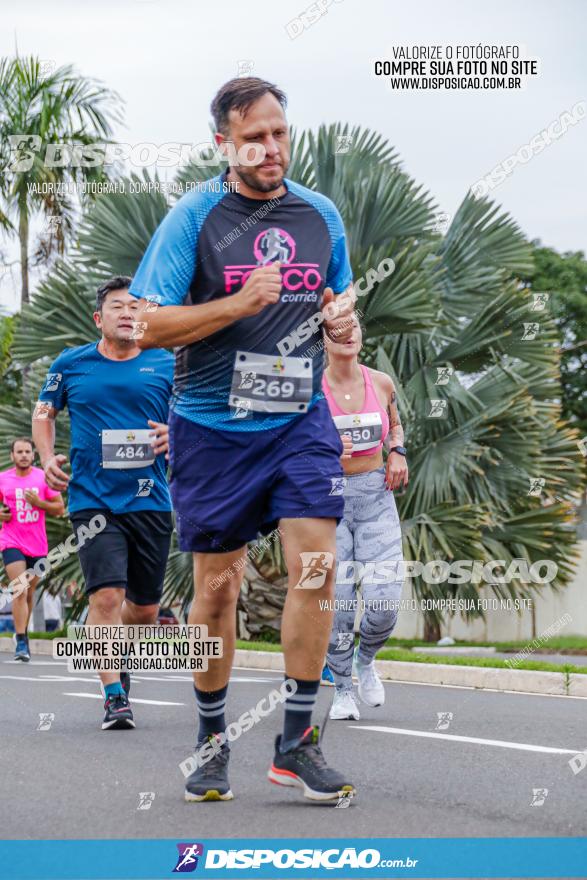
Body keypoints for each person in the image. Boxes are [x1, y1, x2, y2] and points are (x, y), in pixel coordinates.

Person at [129, 77, 356, 803]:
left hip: (299, 422)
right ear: (223, 142)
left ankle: (295, 742)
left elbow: (337, 306)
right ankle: (210, 740)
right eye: (253, 136)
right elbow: (148, 325)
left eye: (279, 133)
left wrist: (343, 328)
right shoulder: (195, 215)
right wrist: (237, 302)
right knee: (217, 590)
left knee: (315, 566)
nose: (270, 148)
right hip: (211, 426)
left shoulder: (320, 215)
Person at [33, 276, 174, 730]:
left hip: (151, 499)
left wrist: (177, 435)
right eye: (117, 306)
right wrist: (44, 456)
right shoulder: (70, 364)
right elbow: (44, 414)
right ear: (100, 318)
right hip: (92, 498)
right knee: (107, 594)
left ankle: (120, 657)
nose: (128, 313)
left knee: (146, 610)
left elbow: (194, 415)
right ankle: (114, 694)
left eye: (135, 307)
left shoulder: (165, 363)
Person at [322, 314, 408, 720]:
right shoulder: (310, 391)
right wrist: (322, 451)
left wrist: (397, 452)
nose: (346, 333)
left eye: (352, 326)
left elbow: (395, 424)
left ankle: (366, 660)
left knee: (386, 600)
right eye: (335, 328)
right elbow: (285, 443)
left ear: (360, 334)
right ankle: (341, 690)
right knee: (336, 606)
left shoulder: (381, 382)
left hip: (376, 496)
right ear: (323, 340)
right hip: (328, 502)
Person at [0, 438, 65, 660]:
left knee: (29, 593)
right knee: (19, 589)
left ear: (33, 455)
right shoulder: (3, 479)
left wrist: (39, 503)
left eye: (28, 451)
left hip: (38, 545)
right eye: (19, 452)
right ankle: (21, 642)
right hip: (11, 541)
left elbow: (59, 508)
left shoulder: (42, 477)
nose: (24, 455)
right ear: (12, 456)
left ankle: (22, 634)